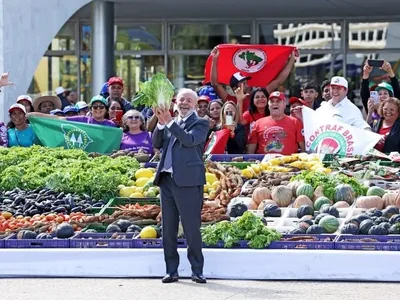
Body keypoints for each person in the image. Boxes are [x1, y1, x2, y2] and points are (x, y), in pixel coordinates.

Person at [152, 88, 208, 284]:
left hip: (188, 182)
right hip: (166, 180)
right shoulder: (169, 121)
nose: (184, 103)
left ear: (195, 105)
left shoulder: (200, 122)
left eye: (189, 101)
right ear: (175, 102)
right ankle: (171, 270)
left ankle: (197, 270)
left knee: (192, 228)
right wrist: (160, 123)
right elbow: (156, 142)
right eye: (181, 99)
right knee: (168, 229)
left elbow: (189, 140)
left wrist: (168, 122)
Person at [210, 48, 297, 111]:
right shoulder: (230, 100)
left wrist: (292, 59)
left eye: (246, 81)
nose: (247, 84)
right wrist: (214, 60)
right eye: (243, 83)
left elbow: (278, 82)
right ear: (234, 88)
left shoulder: (258, 97)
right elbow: (215, 84)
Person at [29, 95, 116, 127]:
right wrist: (35, 115)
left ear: (106, 110)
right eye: (95, 106)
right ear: (90, 109)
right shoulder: (83, 120)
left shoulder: (111, 125)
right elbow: (59, 119)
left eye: (101, 107)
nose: (98, 109)